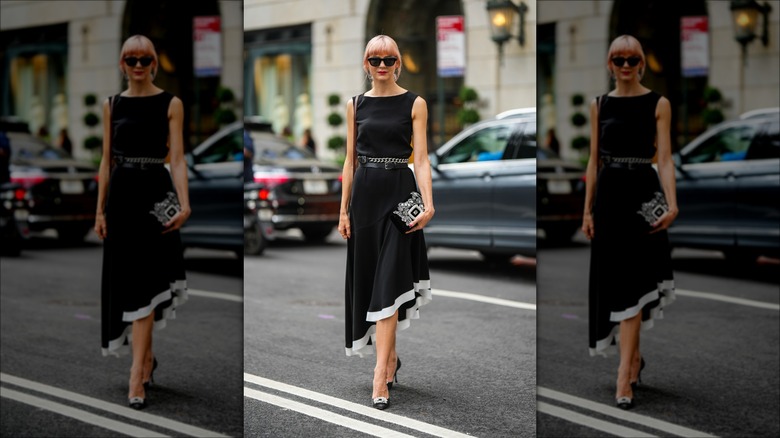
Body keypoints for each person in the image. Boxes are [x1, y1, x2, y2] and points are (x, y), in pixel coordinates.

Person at [581, 35, 678, 410]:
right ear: (609, 63)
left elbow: (665, 158)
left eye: (632, 59)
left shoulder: (659, 103)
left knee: (636, 280)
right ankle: (632, 360)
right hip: (608, 197)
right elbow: (593, 161)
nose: (625, 64)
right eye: (618, 59)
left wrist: (672, 203)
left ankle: (624, 374)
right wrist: (586, 211)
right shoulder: (599, 105)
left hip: (643, 195)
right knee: (616, 281)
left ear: (641, 63)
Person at [338, 34, 434, 411]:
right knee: (370, 281)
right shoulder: (355, 105)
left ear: (399, 62)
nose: (381, 65)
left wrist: (428, 202)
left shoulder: (416, 103)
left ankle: (380, 376)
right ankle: (390, 359)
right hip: (364, 198)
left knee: (391, 280)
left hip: (400, 196)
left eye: (388, 59)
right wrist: (343, 210)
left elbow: (421, 159)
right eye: (374, 59)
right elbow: (350, 161)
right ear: (365, 64)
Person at [94, 35, 190, 410]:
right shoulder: (111, 105)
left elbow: (177, 159)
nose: (137, 64)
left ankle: (137, 374)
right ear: (122, 63)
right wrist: (99, 210)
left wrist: (185, 203)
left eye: (144, 58)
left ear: (154, 63)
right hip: (121, 197)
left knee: (150, 280)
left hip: (156, 196)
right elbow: (105, 161)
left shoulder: (172, 103)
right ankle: (145, 360)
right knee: (128, 281)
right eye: (130, 58)